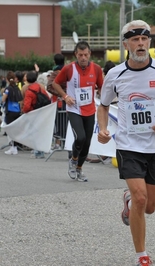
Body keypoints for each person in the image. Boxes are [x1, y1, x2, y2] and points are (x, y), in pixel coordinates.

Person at [97, 20, 155, 266]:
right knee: (141, 198)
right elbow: (103, 106)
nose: (141, 43)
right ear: (126, 44)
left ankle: (129, 202)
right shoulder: (115, 74)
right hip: (128, 144)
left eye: (145, 39)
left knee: (150, 207)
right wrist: (103, 129)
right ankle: (141, 256)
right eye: (135, 39)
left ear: (150, 42)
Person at [52, 41, 104, 182]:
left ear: (89, 54)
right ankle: (73, 160)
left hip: (90, 109)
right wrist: (65, 96)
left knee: (87, 142)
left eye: (85, 54)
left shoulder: (97, 69)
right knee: (80, 137)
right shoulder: (69, 69)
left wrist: (104, 95)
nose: (83, 58)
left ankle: (79, 168)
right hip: (74, 109)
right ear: (76, 54)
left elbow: (102, 86)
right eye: (80, 55)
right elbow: (55, 83)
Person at [22, 70, 51, 159]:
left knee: (34, 133)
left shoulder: (28, 90)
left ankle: (37, 151)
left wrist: (25, 111)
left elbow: (27, 106)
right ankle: (41, 151)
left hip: (33, 113)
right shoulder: (40, 87)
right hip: (43, 112)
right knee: (41, 132)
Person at [2, 71, 24, 155]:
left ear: (7, 79)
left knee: (10, 130)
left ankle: (13, 148)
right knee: (15, 129)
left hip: (10, 111)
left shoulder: (8, 88)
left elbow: (4, 99)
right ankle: (15, 146)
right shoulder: (17, 88)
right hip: (17, 111)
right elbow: (21, 100)